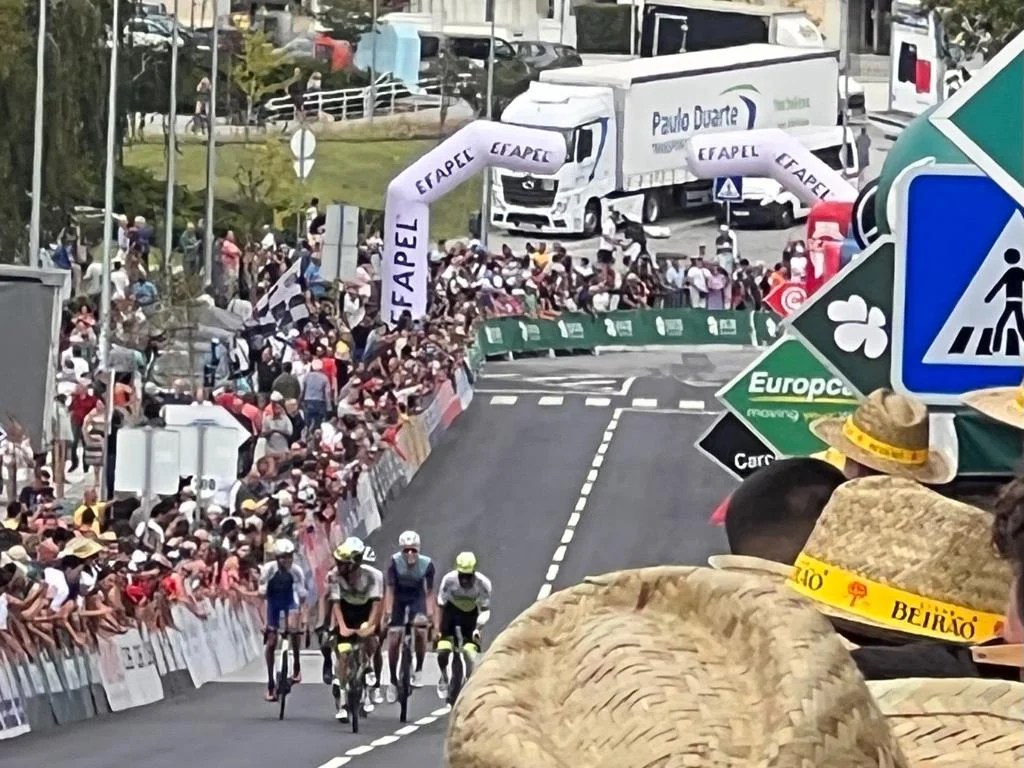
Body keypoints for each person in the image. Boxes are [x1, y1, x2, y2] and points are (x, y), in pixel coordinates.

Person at [324, 536, 383, 722]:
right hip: (346, 611)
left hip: (365, 611)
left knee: (372, 639)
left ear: (354, 563)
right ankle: (342, 700)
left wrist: (370, 627)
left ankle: (368, 665)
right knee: (343, 653)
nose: (338, 566)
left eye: (342, 563)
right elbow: (335, 605)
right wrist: (342, 627)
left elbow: (376, 606)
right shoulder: (334, 576)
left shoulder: (374, 576)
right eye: (337, 562)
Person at [383, 530, 435, 702]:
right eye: (406, 550)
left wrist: (430, 615)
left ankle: (419, 668)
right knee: (393, 639)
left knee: (420, 630)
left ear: (418, 550)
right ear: (401, 551)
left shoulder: (427, 564)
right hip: (399, 598)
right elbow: (390, 589)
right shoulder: (394, 562)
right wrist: (388, 613)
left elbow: (429, 593)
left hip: (416, 598)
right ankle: (392, 680)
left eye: (413, 550)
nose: (410, 554)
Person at [435, 551, 491, 700]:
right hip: (450, 613)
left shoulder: (483, 584)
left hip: (470, 616)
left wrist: (478, 629)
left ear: (474, 572)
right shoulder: (448, 580)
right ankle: (443, 676)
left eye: (468, 576)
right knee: (443, 649)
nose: (465, 580)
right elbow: (440, 605)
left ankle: (469, 681)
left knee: (470, 652)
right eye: (462, 576)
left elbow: (485, 610)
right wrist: (438, 629)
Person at [258, 538, 307, 702]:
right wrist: (264, 623)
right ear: (277, 558)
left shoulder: (296, 571)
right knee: (271, 642)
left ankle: (297, 666)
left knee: (293, 629)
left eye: (289, 556)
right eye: (283, 557)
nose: (287, 560)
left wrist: (303, 621)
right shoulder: (268, 570)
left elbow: (301, 598)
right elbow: (262, 597)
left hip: (290, 600)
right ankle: (270, 683)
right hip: (273, 602)